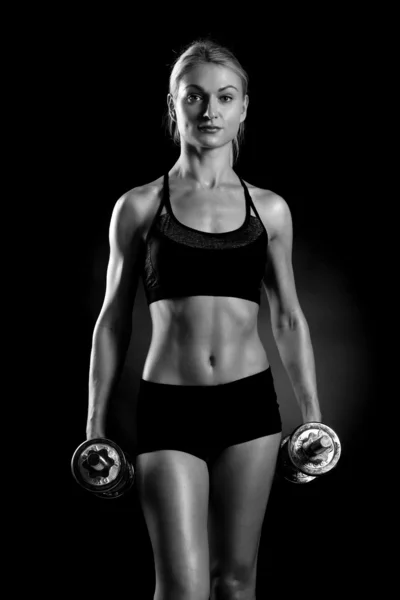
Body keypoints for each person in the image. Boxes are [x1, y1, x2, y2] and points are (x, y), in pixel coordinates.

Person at [86, 38, 322, 600]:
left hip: (248, 408)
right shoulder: (141, 206)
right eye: (194, 97)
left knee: (237, 583)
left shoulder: (270, 209)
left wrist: (313, 416)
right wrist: (94, 424)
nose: (209, 110)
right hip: (168, 407)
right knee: (181, 588)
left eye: (224, 97)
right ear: (174, 107)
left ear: (243, 107)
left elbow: (288, 316)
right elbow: (113, 321)